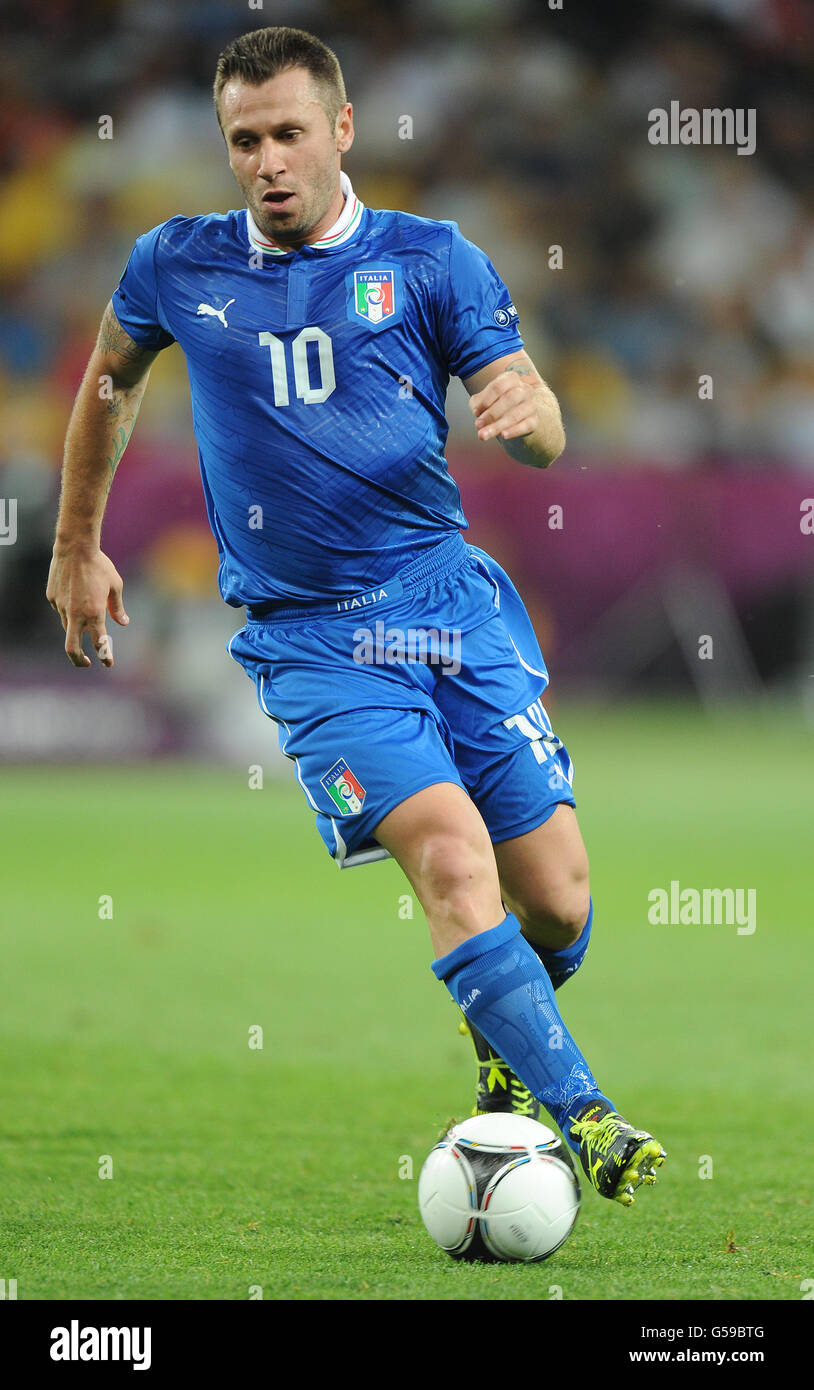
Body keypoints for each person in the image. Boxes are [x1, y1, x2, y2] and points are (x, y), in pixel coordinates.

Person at [46, 25, 665, 1206]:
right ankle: (585, 1116)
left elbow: (535, 426)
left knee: (561, 899)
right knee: (446, 851)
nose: (268, 161)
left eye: (288, 133)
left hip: (447, 605)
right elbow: (110, 380)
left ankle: (502, 1045)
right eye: (244, 141)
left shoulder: (431, 260)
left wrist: (528, 416)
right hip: (314, 639)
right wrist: (77, 545)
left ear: (340, 130)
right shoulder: (175, 263)